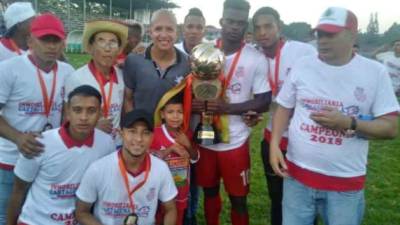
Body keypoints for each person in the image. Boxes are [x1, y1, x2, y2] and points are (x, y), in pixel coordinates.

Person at [269, 7, 399, 225]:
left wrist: (349, 122)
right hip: (296, 178)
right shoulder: (303, 65)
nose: (323, 41)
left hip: (344, 185)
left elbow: (391, 127)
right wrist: (274, 145)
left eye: (331, 34)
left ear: (352, 35)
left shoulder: (374, 72)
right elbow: (283, 107)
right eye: (320, 34)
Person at [191, 1, 271, 225]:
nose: (235, 27)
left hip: (235, 142)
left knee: (238, 199)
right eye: (230, 21)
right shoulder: (203, 52)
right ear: (221, 22)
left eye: (240, 23)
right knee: (209, 192)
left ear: (246, 25)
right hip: (205, 138)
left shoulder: (255, 58)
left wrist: (228, 108)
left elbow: (264, 100)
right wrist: (192, 105)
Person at [0, 13, 74, 225]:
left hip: (47, 162)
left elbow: (70, 111)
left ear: (63, 43)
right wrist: (18, 138)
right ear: (31, 40)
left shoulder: (68, 72)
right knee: (6, 216)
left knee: (37, 218)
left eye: (56, 40)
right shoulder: (9, 69)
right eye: (45, 39)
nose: (51, 46)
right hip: (11, 159)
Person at [6, 85, 115, 225]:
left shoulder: (106, 144)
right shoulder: (39, 143)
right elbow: (18, 191)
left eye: (91, 111)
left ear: (100, 113)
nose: (84, 117)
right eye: (77, 110)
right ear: (67, 112)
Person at [252, 6, 316, 225]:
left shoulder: (302, 52)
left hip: (303, 141)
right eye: (258, 28)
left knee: (305, 203)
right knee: (277, 200)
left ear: (279, 27)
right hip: (273, 140)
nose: (263, 32)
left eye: (268, 26)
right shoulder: (254, 57)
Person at [75, 109, 178, 225]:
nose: (139, 139)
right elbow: (81, 212)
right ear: (121, 133)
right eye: (132, 131)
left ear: (152, 136)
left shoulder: (161, 168)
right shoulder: (98, 169)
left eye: (145, 133)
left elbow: (171, 209)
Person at [65, 20, 128, 147]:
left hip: (116, 145)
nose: (107, 48)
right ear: (91, 47)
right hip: (88, 144)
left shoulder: (122, 76)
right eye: (101, 41)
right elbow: (67, 119)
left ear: (118, 50)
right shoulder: (77, 78)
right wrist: (92, 127)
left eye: (113, 42)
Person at [123, 9, 190, 114]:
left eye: (169, 29)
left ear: (177, 33)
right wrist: (133, 126)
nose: (163, 35)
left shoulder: (188, 63)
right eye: (158, 29)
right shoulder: (133, 60)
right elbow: (128, 99)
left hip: (171, 130)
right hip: (142, 129)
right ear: (150, 32)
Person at [151, 94, 199, 225]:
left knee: (177, 218)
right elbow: (149, 157)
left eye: (180, 112)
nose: (175, 116)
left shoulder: (187, 134)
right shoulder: (155, 133)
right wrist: (170, 149)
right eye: (170, 112)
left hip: (180, 189)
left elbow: (195, 158)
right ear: (162, 114)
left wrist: (188, 144)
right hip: (158, 190)